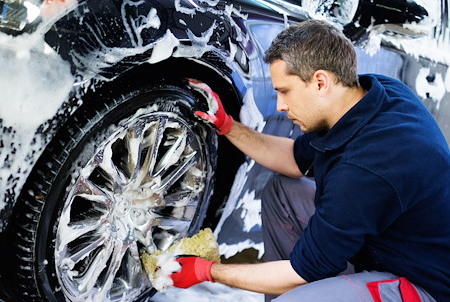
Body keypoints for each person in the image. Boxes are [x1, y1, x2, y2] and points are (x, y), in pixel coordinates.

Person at [169, 19, 450, 301]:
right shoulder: (375, 95)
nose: (280, 105)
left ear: (320, 82)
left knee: (294, 296)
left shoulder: (365, 168)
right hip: (385, 247)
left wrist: (208, 271)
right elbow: (293, 158)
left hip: (422, 285)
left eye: (285, 91)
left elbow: (301, 273)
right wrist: (228, 126)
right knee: (283, 191)